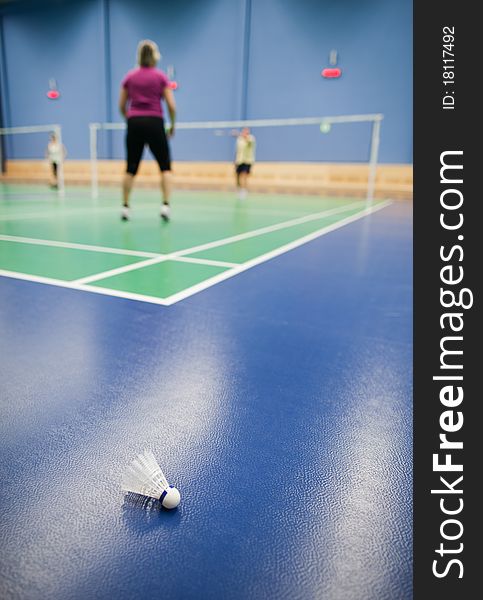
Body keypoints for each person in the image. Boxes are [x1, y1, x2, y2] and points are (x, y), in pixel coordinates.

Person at [118, 39, 176, 221]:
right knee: (165, 167)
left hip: (134, 122)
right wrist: (172, 125)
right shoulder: (160, 77)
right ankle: (165, 205)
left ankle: (125, 207)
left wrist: (130, 118)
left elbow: (121, 105)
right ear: (155, 57)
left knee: (131, 168)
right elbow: (172, 106)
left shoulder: (130, 77)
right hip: (155, 122)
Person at [234, 127, 256, 199]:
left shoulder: (251, 138)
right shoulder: (239, 140)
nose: (245, 132)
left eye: (246, 131)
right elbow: (238, 150)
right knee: (237, 176)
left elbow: (249, 142)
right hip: (239, 160)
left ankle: (244, 190)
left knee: (244, 175)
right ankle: (238, 189)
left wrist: (240, 135)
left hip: (247, 161)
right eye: (244, 131)